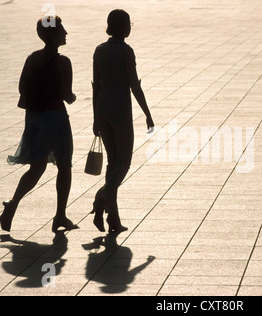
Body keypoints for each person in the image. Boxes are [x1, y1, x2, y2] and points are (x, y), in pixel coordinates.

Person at [0, 16, 78, 233]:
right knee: (64, 166)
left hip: (35, 118)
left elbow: (21, 88)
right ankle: (60, 215)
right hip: (56, 119)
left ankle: (13, 203)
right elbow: (66, 94)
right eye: (62, 29)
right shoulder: (64, 62)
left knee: (37, 167)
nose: (65, 32)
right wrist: (72, 97)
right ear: (53, 35)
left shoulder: (32, 58)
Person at [91, 9, 154, 234]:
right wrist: (147, 112)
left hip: (103, 110)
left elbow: (95, 86)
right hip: (120, 113)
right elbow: (134, 85)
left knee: (112, 163)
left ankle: (113, 219)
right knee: (124, 163)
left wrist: (95, 118)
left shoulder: (99, 51)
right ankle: (101, 200)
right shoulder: (126, 52)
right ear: (124, 27)